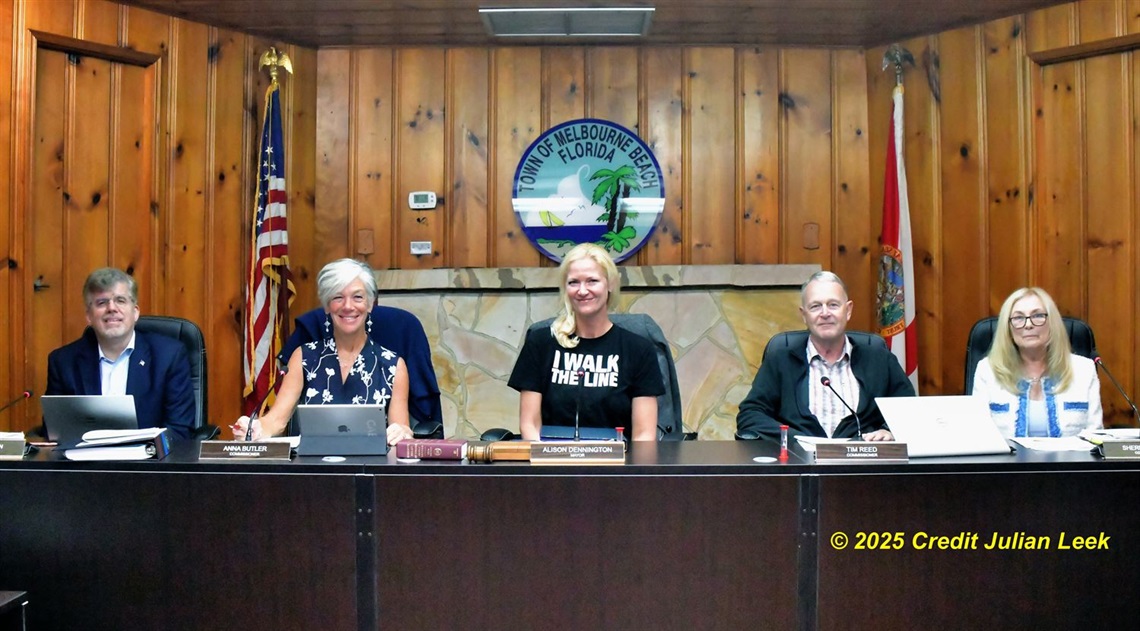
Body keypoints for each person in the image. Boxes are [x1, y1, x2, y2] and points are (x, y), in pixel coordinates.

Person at [232, 259, 413, 445]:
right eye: (337, 297)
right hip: (314, 468)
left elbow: (400, 428)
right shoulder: (303, 357)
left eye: (358, 297)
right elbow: (276, 421)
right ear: (327, 306)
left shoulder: (393, 365)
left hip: (369, 468)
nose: (348, 306)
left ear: (370, 304)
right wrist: (255, 428)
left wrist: (402, 432)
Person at [508, 243, 664, 441]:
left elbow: (644, 435)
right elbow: (529, 425)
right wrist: (544, 463)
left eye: (592, 281)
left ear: (610, 284)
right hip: (552, 463)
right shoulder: (541, 343)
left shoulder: (639, 350)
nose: (582, 291)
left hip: (616, 465)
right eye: (574, 282)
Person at [735, 271, 914, 443]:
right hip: (800, 464)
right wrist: (795, 440)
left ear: (848, 310)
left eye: (833, 305)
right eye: (815, 306)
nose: (825, 313)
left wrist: (888, 430)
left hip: (862, 465)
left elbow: (909, 409)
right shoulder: (781, 359)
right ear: (804, 315)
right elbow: (750, 415)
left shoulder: (879, 358)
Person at [45, 268, 196, 439]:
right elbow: (56, 430)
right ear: (89, 316)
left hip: (151, 462)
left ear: (135, 312)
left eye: (120, 300)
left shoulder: (169, 356)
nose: (112, 308)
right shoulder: (64, 362)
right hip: (85, 463)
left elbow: (180, 429)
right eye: (102, 303)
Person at [972, 287, 1101, 437]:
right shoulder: (987, 370)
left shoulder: (1083, 369)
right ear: (1008, 329)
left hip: (1071, 459)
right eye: (1018, 318)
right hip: (1007, 460)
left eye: (1038, 315)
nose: (1028, 325)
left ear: (1052, 323)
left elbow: (1095, 436)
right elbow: (979, 435)